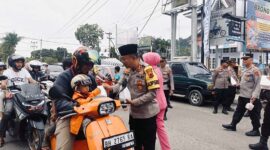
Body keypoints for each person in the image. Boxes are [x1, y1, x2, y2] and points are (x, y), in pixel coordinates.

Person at [103, 44, 159, 150]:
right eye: (122, 59)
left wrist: (135, 102)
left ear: (134, 57)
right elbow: (120, 85)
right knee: (136, 144)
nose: (123, 62)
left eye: (124, 59)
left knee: (148, 145)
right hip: (134, 116)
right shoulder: (127, 71)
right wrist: (110, 88)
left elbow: (152, 93)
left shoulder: (148, 70)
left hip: (147, 116)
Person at [49, 47, 97, 150]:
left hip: (89, 113)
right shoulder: (63, 77)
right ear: (75, 62)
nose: (88, 68)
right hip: (68, 115)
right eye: (86, 65)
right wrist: (76, 106)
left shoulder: (91, 78)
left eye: (91, 65)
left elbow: (96, 95)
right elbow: (58, 103)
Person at [0, 54, 36, 147]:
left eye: (21, 62)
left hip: (25, 95)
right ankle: (1, 137)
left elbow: (31, 80)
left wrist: (38, 84)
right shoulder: (7, 72)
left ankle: (25, 130)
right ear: (12, 63)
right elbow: (4, 82)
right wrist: (5, 87)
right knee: (7, 112)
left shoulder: (24, 71)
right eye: (17, 62)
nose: (19, 64)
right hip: (12, 95)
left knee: (33, 109)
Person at [222, 53, 262, 137]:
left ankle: (256, 130)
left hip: (250, 97)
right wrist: (238, 84)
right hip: (243, 95)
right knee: (238, 112)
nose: (243, 60)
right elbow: (245, 82)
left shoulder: (255, 70)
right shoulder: (245, 69)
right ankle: (233, 125)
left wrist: (254, 96)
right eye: (243, 59)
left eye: (246, 59)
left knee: (253, 114)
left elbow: (258, 84)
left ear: (251, 60)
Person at [143, 52, 171, 150]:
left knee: (148, 129)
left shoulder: (149, 71)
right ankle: (166, 148)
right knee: (161, 127)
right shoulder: (158, 70)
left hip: (154, 103)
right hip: (162, 101)